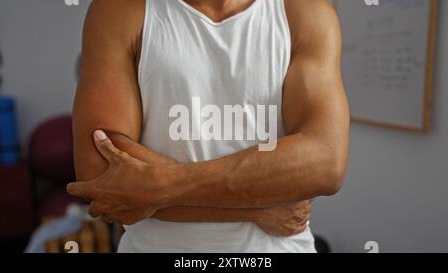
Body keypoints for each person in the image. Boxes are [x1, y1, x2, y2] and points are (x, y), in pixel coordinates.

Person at [69, 0, 349, 253]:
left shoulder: (305, 13)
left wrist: (158, 186)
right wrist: (259, 209)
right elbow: (101, 174)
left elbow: (325, 162)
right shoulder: (120, 10)